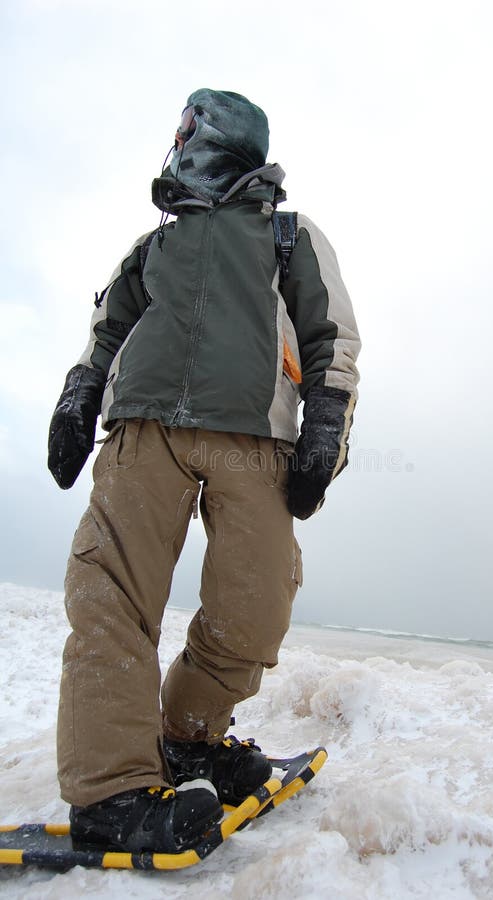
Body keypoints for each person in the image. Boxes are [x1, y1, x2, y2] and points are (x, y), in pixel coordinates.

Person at [48, 89, 361, 854]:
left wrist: (326, 427)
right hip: (143, 429)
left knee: (255, 607)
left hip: (252, 438)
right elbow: (106, 330)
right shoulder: (153, 245)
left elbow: (332, 339)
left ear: (216, 138)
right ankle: (112, 789)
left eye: (186, 127)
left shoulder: (289, 235)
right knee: (111, 597)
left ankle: (189, 737)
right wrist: (78, 395)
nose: (176, 139)